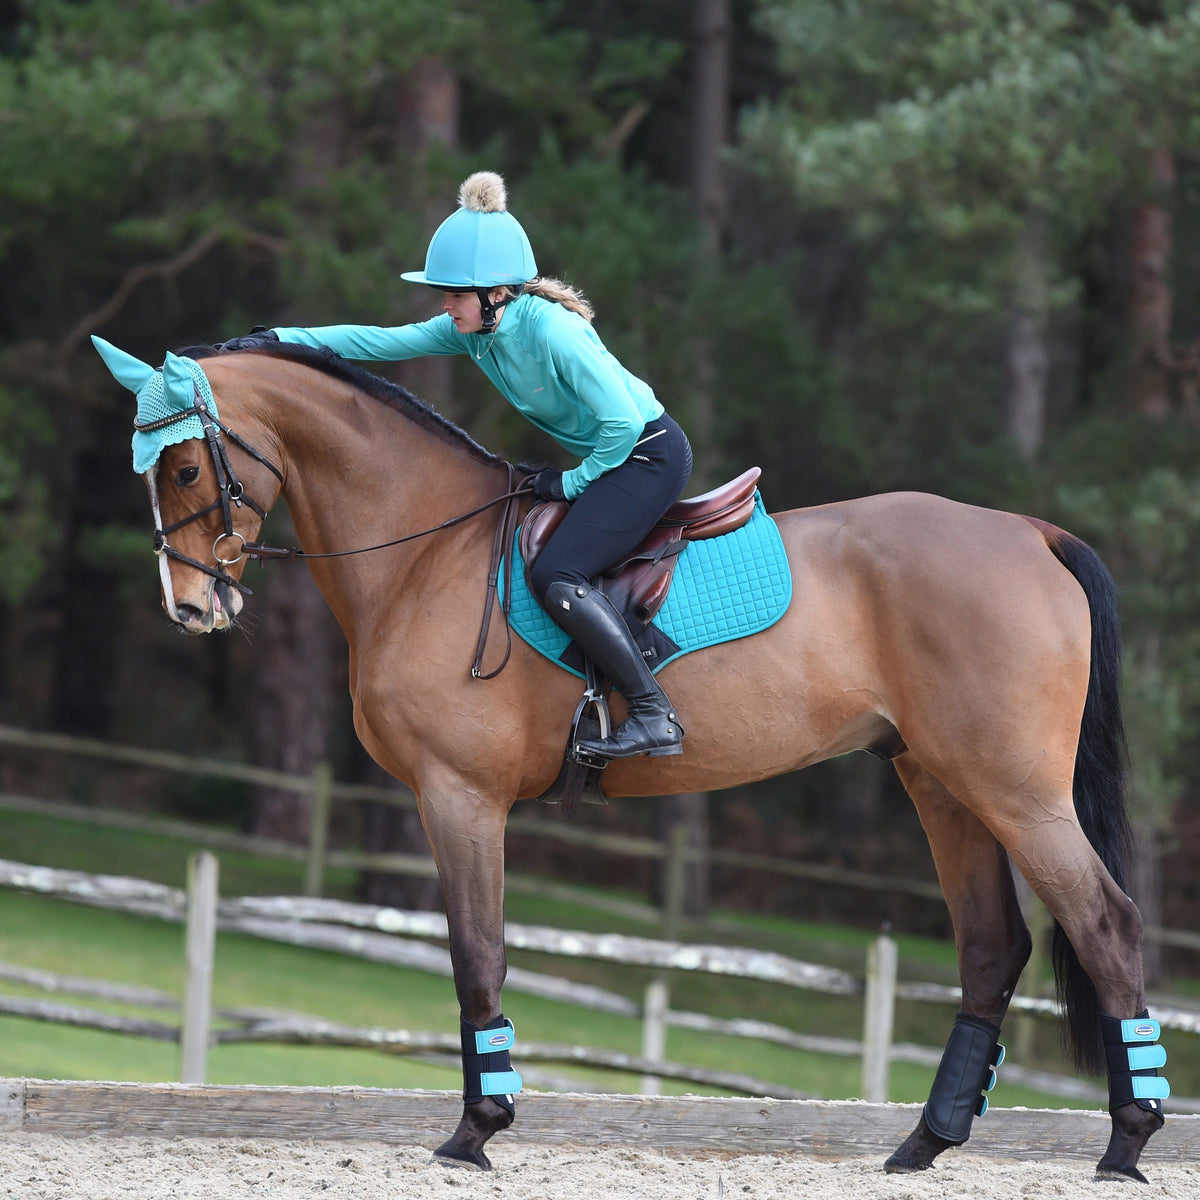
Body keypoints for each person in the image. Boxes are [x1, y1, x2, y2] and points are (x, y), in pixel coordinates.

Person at [223, 171, 692, 759]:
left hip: (646, 455)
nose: (444, 305)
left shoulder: (554, 330)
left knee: (556, 573)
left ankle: (652, 712)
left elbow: (622, 425)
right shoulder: (473, 333)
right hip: (616, 457)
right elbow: (376, 342)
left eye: (454, 294)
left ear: (496, 293)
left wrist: (572, 482)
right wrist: (275, 341)